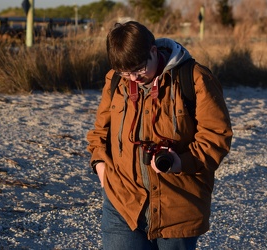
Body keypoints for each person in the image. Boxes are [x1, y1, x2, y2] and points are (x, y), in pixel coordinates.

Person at [86, 21, 232, 250]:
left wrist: (180, 161)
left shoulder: (195, 79)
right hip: (122, 203)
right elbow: (99, 132)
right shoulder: (115, 80)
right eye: (125, 73)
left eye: (139, 69)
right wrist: (100, 165)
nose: (133, 78)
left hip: (177, 207)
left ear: (153, 51)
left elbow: (216, 137)